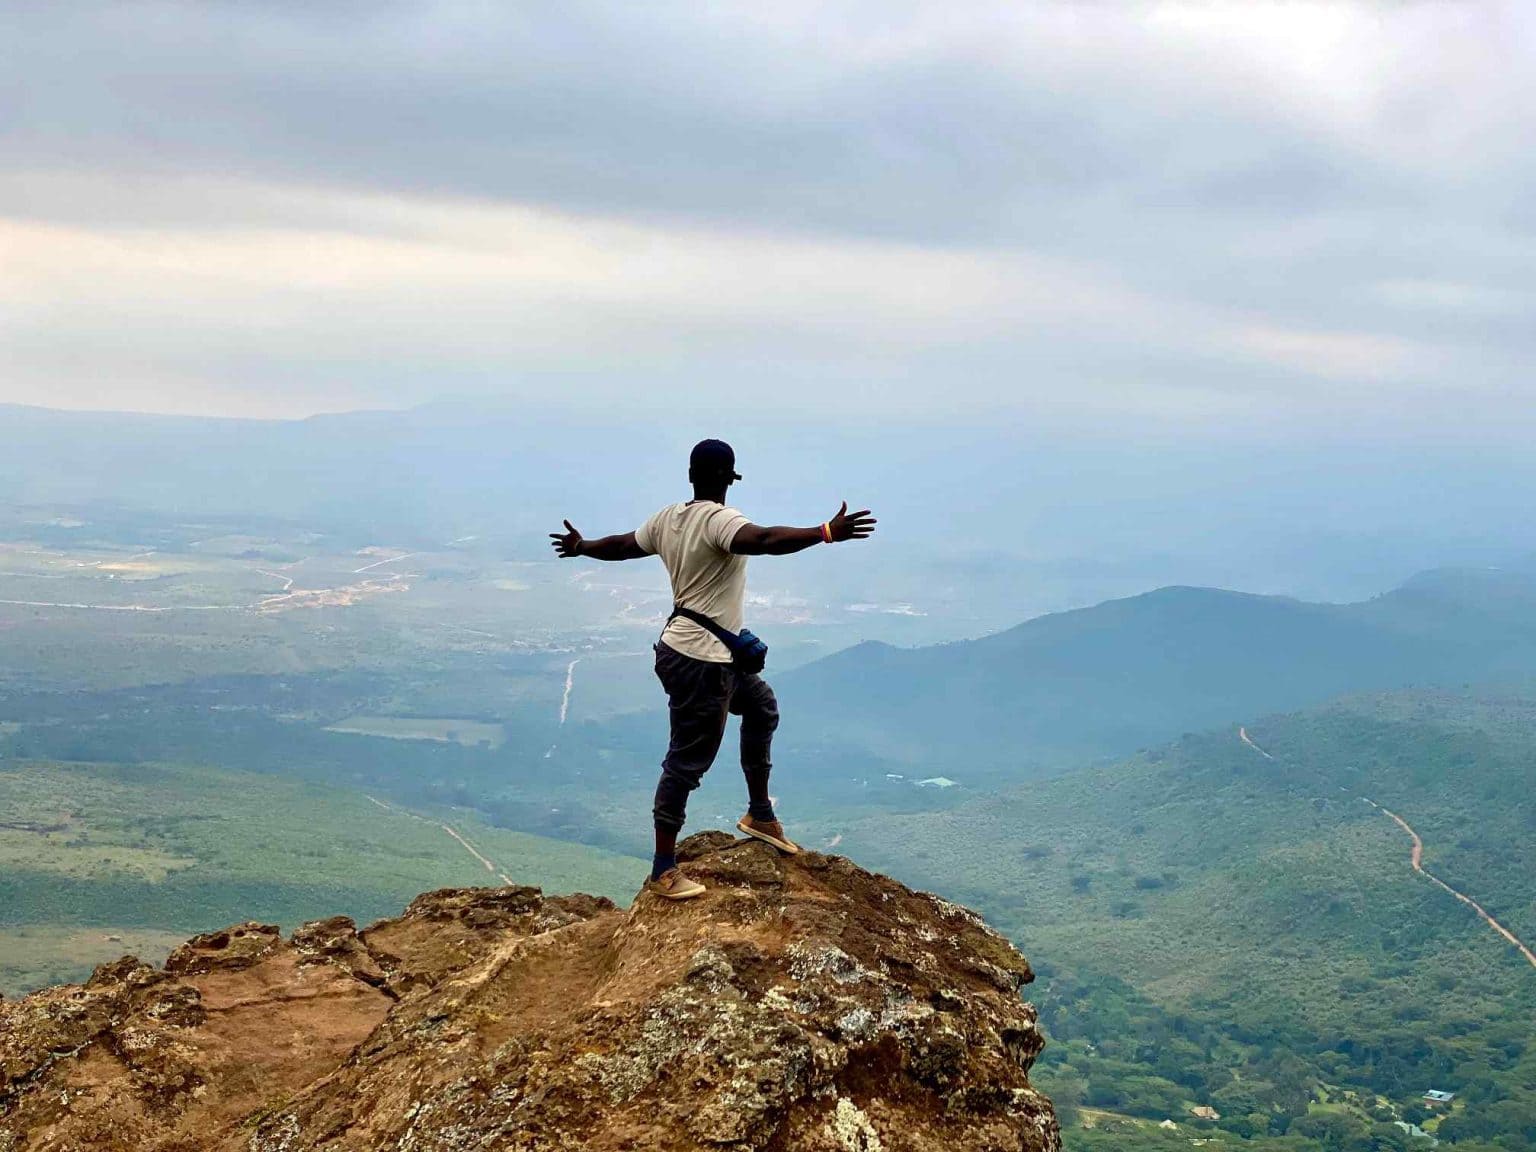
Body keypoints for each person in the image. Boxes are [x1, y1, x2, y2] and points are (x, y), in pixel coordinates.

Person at [550, 438, 876, 900]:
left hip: (689, 650)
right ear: (729, 479)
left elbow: (623, 546)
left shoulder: (668, 519)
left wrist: (582, 546)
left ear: (690, 476)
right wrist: (823, 531)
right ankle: (664, 868)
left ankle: (759, 814)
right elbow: (763, 540)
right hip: (701, 662)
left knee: (761, 706)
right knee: (686, 761)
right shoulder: (720, 521)